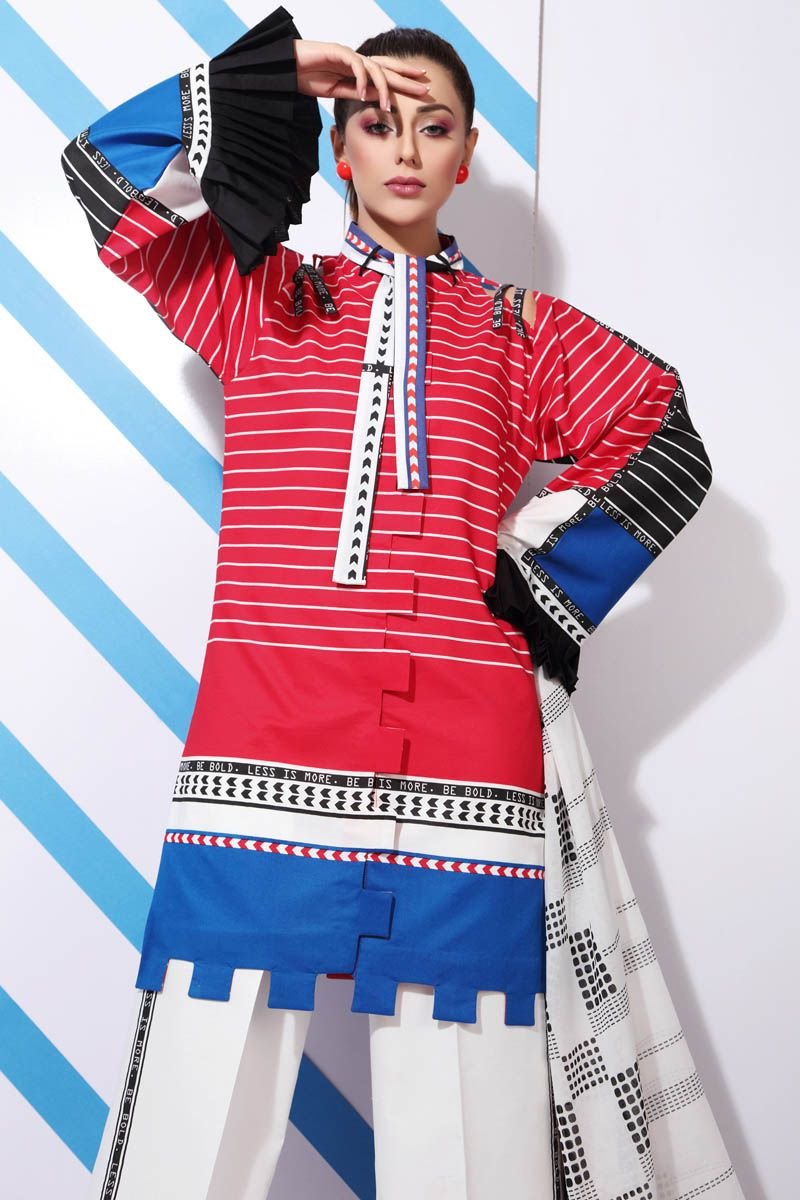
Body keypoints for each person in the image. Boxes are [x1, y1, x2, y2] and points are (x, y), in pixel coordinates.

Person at [60, 6, 743, 1198]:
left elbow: (661, 435)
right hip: (262, 737)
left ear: (466, 155)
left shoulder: (520, 335)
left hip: (463, 757)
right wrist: (282, 72)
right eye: (376, 123)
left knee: (470, 1133)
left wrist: (531, 591)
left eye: (433, 127)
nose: (406, 148)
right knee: (191, 1108)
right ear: (339, 151)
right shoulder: (257, 297)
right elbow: (100, 174)